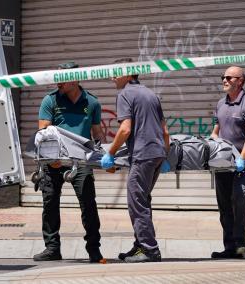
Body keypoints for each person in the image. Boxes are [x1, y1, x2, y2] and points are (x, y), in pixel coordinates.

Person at [33, 61, 106, 263]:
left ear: (75, 79)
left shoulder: (91, 102)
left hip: (81, 162)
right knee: (50, 204)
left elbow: (97, 132)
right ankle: (52, 248)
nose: (58, 83)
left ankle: (94, 250)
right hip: (54, 161)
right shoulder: (50, 101)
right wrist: (51, 159)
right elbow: (43, 132)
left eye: (62, 79)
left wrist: (104, 157)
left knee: (88, 205)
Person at [100, 58, 170, 263]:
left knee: (136, 203)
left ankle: (150, 250)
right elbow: (165, 131)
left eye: (116, 72)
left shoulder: (125, 94)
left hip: (142, 155)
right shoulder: (151, 94)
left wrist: (110, 153)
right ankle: (141, 245)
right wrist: (164, 155)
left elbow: (125, 129)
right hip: (156, 154)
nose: (112, 76)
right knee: (144, 200)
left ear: (129, 74)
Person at [210, 66, 245, 259]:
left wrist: (241, 158)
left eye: (229, 78)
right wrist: (212, 146)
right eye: (223, 77)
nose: (224, 80)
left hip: (244, 159)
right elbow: (215, 132)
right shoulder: (221, 104)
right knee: (223, 201)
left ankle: (240, 240)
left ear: (240, 81)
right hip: (223, 159)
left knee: (240, 194)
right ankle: (230, 246)